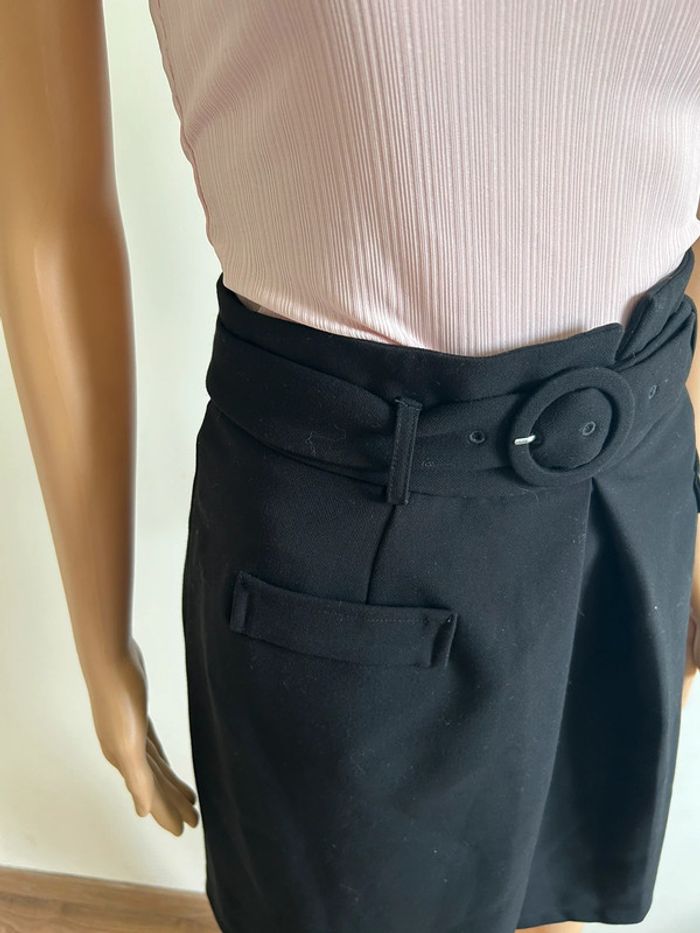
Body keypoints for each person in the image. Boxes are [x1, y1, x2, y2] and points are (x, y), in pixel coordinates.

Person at [1, 2, 699, 932]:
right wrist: (102, 645)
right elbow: (49, 222)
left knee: (559, 900)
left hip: (637, 488)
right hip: (354, 542)